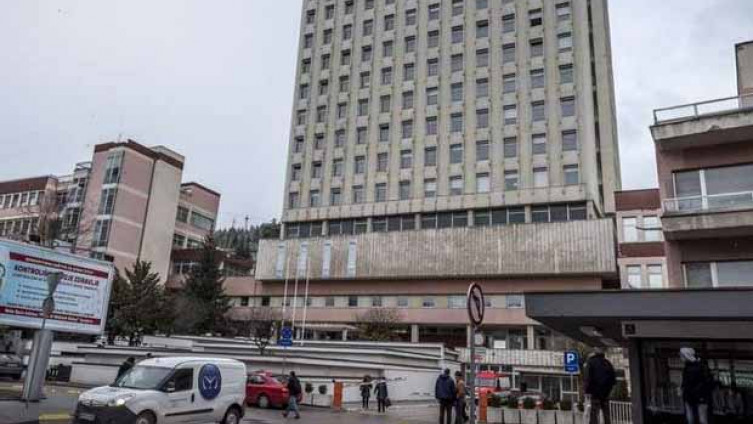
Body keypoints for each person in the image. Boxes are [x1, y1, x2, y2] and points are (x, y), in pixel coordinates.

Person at [584, 348, 616, 424]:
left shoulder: (591, 362)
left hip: (595, 393)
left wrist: (587, 390)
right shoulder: (607, 363)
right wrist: (609, 390)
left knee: (594, 413)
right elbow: (613, 379)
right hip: (606, 393)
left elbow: (588, 378)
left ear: (594, 353)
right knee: (606, 413)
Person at [681, 347, 713, 424]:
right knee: (698, 419)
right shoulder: (695, 366)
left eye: (682, 356)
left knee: (696, 418)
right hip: (696, 396)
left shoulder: (692, 367)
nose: (681, 358)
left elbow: (706, 381)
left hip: (697, 396)